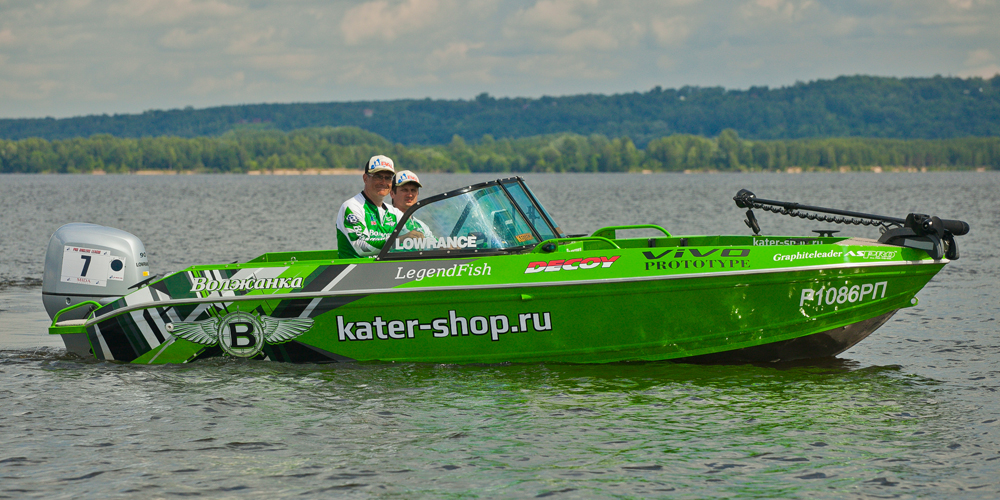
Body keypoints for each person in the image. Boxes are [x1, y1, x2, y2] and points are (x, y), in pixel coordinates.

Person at [336, 155, 405, 259]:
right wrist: (399, 241)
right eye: (378, 176)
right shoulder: (351, 207)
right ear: (365, 178)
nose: (383, 182)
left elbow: (416, 232)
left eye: (388, 178)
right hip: (354, 271)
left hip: (383, 271)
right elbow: (361, 246)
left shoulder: (395, 212)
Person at [391, 170, 433, 239]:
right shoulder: (384, 220)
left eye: (413, 190)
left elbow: (436, 245)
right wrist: (402, 238)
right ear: (392, 194)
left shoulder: (421, 226)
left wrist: (447, 247)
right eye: (405, 190)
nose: (410, 195)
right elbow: (373, 247)